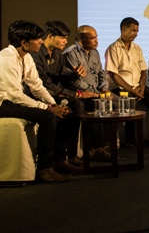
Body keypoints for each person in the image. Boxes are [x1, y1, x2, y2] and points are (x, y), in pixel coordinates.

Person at [0, 20, 71, 183]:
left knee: (61, 110)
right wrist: (48, 109)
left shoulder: (26, 57)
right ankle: (44, 169)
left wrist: (53, 103)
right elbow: (15, 95)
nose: (41, 41)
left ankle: (59, 161)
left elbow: (36, 85)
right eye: (37, 39)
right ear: (24, 43)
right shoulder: (7, 59)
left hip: (11, 102)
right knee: (48, 117)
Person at [28, 20, 97, 175]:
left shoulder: (57, 55)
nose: (66, 41)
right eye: (63, 37)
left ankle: (68, 157)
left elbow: (63, 76)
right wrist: (76, 94)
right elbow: (43, 84)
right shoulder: (36, 55)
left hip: (52, 94)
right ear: (50, 36)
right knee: (75, 103)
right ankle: (59, 158)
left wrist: (75, 74)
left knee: (79, 105)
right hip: (36, 95)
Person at [105, 17, 149, 146]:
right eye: (133, 30)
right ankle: (131, 141)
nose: (135, 34)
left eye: (137, 31)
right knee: (130, 102)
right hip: (120, 88)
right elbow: (114, 75)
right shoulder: (113, 49)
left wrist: (142, 87)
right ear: (123, 29)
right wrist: (131, 90)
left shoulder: (137, 48)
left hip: (138, 86)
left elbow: (143, 71)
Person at [63, 25, 112, 161]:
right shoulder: (71, 53)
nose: (96, 41)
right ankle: (97, 148)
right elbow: (75, 81)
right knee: (98, 105)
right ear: (82, 39)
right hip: (80, 93)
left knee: (117, 102)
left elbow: (102, 73)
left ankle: (107, 144)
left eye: (97, 37)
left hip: (96, 91)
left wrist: (104, 88)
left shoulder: (94, 52)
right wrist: (93, 92)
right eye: (92, 38)